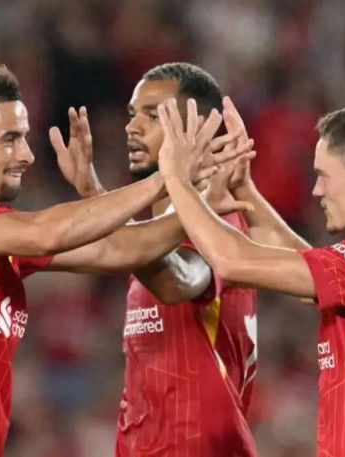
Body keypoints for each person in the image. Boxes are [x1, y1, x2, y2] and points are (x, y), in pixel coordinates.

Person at [0, 61, 252, 457]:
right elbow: (45, 232)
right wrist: (169, 177)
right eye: (10, 139)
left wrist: (199, 198)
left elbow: (120, 248)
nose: (27, 155)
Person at [158, 98, 345, 457]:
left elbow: (230, 260)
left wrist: (175, 177)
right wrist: (244, 189)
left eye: (324, 175)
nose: (316, 190)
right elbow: (303, 270)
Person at [49, 63, 260, 456]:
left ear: (198, 131)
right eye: (133, 114)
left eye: (153, 115)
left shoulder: (216, 220)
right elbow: (138, 248)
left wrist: (97, 196)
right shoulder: (156, 239)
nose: (132, 127)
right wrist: (93, 192)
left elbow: (176, 283)